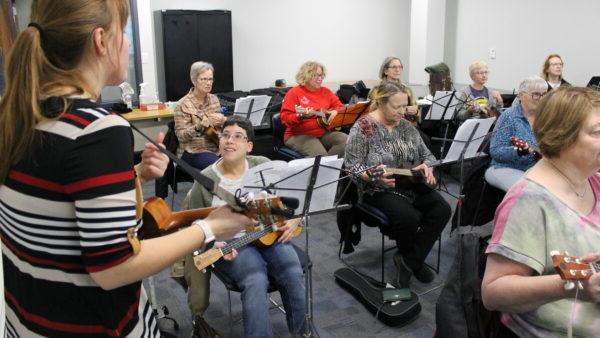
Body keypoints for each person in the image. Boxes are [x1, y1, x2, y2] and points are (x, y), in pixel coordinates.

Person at [0, 1, 252, 336]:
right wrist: (209, 229)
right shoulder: (98, 129)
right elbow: (114, 268)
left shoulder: (20, 116)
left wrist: (132, 175)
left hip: (29, 321)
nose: (128, 44)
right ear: (101, 41)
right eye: (125, 33)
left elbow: (54, 198)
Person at [482, 87, 600, 337]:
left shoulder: (592, 179)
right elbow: (493, 294)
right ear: (562, 135)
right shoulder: (529, 200)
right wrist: (570, 286)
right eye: (597, 132)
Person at [185, 116, 306, 337]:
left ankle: (303, 333)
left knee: (292, 269)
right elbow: (192, 224)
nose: (230, 141)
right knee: (255, 278)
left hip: (269, 233)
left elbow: (293, 197)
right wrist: (213, 242)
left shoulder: (263, 165)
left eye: (238, 137)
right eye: (225, 135)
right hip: (233, 243)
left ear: (249, 146)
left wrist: (296, 217)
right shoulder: (205, 179)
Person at [344, 82, 451, 288]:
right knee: (408, 217)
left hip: (407, 182)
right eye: (396, 107)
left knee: (442, 209)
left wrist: (427, 166)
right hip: (376, 187)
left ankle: (409, 261)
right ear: (381, 103)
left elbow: (428, 155)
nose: (402, 111)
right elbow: (352, 167)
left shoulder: (405, 126)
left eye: (405, 106)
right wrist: (371, 177)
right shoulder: (364, 127)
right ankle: (415, 261)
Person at [485, 76, 548, 191]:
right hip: (506, 167)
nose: (541, 98)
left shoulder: (545, 117)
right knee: (530, 190)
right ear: (521, 95)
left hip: (535, 169)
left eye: (544, 94)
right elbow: (495, 151)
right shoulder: (509, 117)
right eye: (536, 94)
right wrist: (517, 151)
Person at [280, 61, 347, 157]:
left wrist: (336, 111)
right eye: (317, 76)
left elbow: (340, 106)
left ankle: (328, 167)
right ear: (306, 76)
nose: (320, 79)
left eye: (322, 76)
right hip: (298, 135)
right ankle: (324, 166)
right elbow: (285, 119)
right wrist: (301, 115)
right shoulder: (293, 93)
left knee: (346, 141)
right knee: (319, 155)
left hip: (323, 133)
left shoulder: (326, 91)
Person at [174, 61, 226, 170]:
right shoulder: (182, 104)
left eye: (210, 79)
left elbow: (218, 131)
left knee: (238, 159)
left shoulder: (214, 99)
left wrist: (223, 121)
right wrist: (199, 126)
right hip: (192, 151)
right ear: (194, 81)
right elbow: (181, 136)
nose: (208, 83)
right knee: (221, 167)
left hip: (215, 146)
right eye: (204, 79)